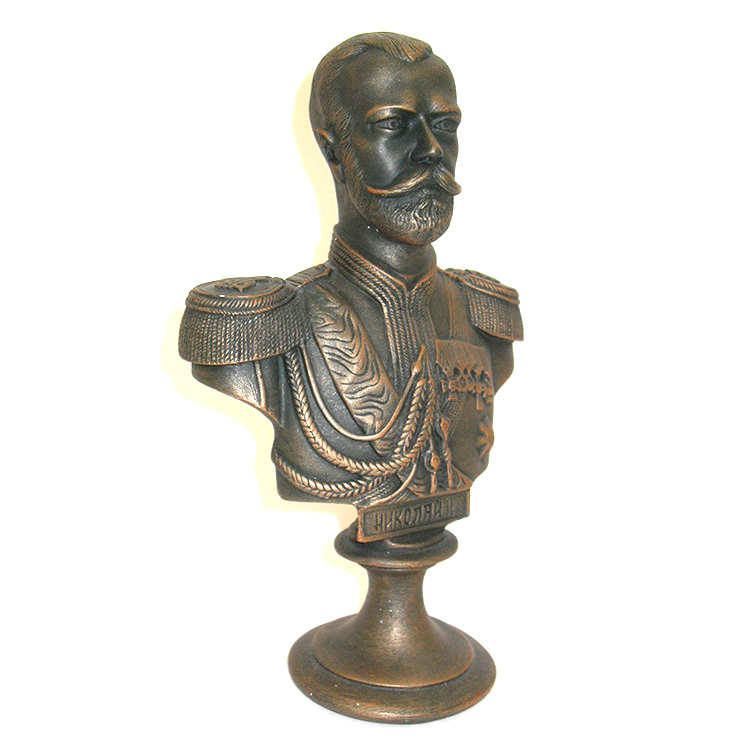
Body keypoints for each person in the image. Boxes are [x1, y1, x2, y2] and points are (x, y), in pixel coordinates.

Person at [179, 32, 523, 541]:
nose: (432, 151)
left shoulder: (484, 314)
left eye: (445, 126)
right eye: (394, 126)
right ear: (333, 150)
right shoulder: (261, 326)